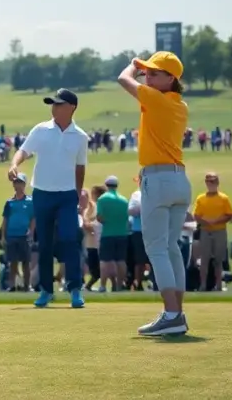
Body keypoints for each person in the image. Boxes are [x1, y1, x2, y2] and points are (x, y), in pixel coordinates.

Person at [117, 52, 190, 336]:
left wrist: (133, 65)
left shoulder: (157, 99)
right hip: (179, 179)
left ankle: (172, 314)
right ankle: (177, 313)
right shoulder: (179, 104)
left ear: (171, 79)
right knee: (171, 247)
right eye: (147, 72)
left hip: (158, 180)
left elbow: (123, 79)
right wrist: (144, 70)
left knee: (157, 248)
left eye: (155, 73)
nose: (148, 76)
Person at [8, 88, 88, 309]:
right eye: (53, 104)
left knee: (69, 240)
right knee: (44, 244)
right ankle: (46, 290)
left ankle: (74, 289)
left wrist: (77, 193)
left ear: (71, 107)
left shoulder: (80, 136)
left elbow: (80, 167)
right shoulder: (41, 129)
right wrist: (14, 164)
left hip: (67, 195)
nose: (54, 107)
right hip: (42, 193)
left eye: (59, 104)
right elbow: (23, 151)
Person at [1, 173, 35, 292]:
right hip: (11, 235)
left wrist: (31, 231)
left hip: (24, 236)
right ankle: (12, 285)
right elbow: (5, 220)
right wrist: (3, 236)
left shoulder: (30, 201)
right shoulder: (9, 202)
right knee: (13, 262)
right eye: (16, 183)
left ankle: (27, 285)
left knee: (26, 262)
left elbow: (33, 218)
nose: (18, 185)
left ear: (24, 185)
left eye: (20, 183)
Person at [95, 175, 130, 292]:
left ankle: (103, 285)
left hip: (107, 233)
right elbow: (126, 217)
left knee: (105, 260)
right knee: (121, 260)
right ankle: (119, 286)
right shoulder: (124, 200)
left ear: (106, 185)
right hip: (122, 233)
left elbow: (99, 217)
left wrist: (107, 221)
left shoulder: (102, 199)